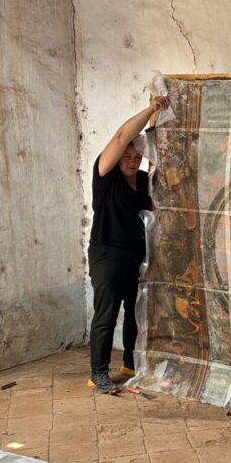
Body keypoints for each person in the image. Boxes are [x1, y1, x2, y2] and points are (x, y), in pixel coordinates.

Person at [88, 95, 169, 394]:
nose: (132, 161)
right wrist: (152, 108)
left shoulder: (143, 180)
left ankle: (130, 365)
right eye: (127, 156)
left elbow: (156, 160)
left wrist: (155, 125)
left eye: (136, 157)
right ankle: (99, 372)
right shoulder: (106, 176)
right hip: (106, 253)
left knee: (136, 313)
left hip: (135, 254)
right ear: (118, 156)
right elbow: (122, 136)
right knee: (106, 314)